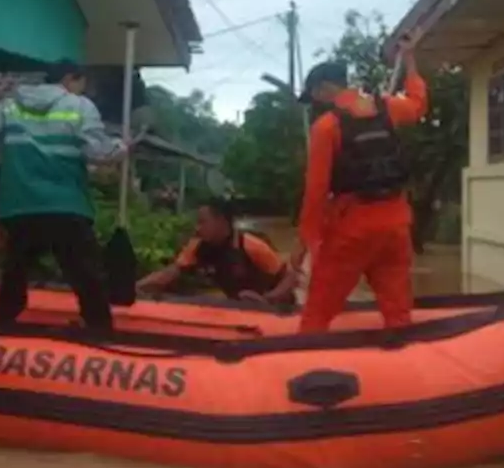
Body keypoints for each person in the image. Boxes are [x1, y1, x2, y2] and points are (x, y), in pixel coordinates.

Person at [0, 60, 126, 331]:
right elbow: (100, 152)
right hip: (67, 207)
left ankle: (0, 328)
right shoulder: (79, 107)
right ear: (71, 79)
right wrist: (120, 148)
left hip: (18, 205)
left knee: (15, 273)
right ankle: (101, 331)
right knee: (85, 276)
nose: (82, 90)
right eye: (81, 83)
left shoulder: (10, 106)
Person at [290, 32, 428, 333]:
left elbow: (315, 193)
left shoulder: (326, 127)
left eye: (313, 93)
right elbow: (418, 104)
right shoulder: (387, 107)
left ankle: (301, 365)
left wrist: (305, 247)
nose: (312, 101)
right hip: (396, 226)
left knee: (316, 315)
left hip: (352, 232)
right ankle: (405, 362)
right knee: (398, 316)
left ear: (326, 88)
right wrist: (411, 61)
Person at [138, 200, 297, 305]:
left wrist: (267, 299)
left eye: (202, 222)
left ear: (221, 221)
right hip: (237, 308)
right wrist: (137, 287)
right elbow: (169, 273)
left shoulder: (251, 245)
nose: (197, 228)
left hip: (271, 310)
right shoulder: (198, 247)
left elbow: (290, 276)